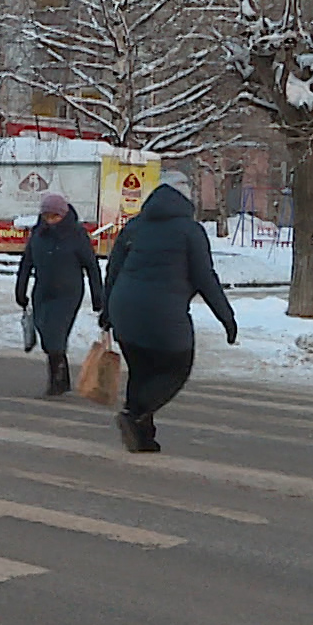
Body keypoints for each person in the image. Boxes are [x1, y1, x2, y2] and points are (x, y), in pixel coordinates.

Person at [100, 170, 237, 453]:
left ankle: (142, 436)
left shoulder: (136, 226)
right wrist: (227, 317)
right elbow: (204, 278)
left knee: (141, 370)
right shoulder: (189, 230)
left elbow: (113, 268)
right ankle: (135, 413)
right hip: (162, 314)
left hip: (124, 308)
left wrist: (107, 310)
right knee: (177, 367)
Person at [15, 193, 104, 396]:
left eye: (54, 216)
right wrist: (20, 289)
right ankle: (62, 377)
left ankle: (56, 381)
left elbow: (91, 266)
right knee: (46, 334)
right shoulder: (38, 234)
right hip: (42, 291)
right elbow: (26, 262)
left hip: (68, 293)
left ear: (63, 214)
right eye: (47, 216)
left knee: (55, 334)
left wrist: (98, 296)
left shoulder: (76, 235)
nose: (50, 220)